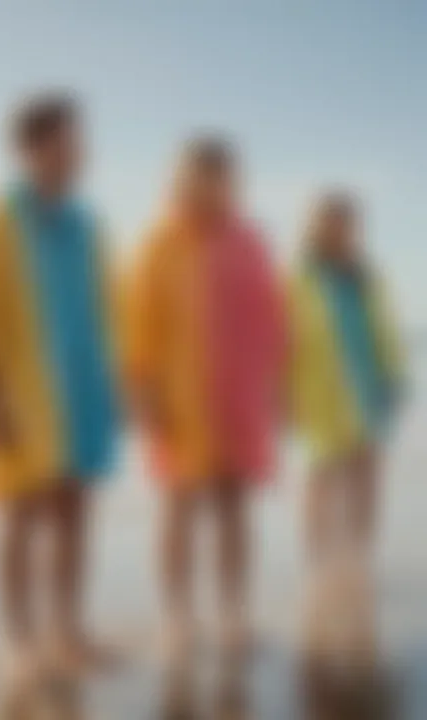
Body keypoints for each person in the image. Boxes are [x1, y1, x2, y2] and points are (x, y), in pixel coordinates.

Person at [0, 93, 119, 690]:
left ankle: (68, 632)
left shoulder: (86, 225)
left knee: (75, 515)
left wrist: (115, 387)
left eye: (80, 142)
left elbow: (107, 309)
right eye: (66, 141)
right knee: (21, 520)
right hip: (19, 400)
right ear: (31, 149)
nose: (77, 153)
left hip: (81, 394)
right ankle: (20, 643)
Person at [126, 136, 284, 662]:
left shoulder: (251, 242)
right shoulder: (158, 243)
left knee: (235, 510)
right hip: (179, 402)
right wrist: (143, 394)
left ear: (232, 183)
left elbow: (272, 319)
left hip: (240, 401)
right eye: (200, 176)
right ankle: (178, 615)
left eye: (221, 177)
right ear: (180, 180)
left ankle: (233, 613)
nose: (212, 187)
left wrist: (277, 388)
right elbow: (137, 327)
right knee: (179, 508)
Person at [288, 193, 404, 663]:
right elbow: (283, 337)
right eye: (334, 223)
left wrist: (393, 376)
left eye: (350, 224)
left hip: (368, 389)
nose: (343, 232)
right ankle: (321, 568)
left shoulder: (367, 277)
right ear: (318, 227)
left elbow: (386, 330)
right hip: (321, 395)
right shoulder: (298, 278)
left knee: (366, 479)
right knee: (321, 481)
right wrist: (281, 394)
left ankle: (357, 562)